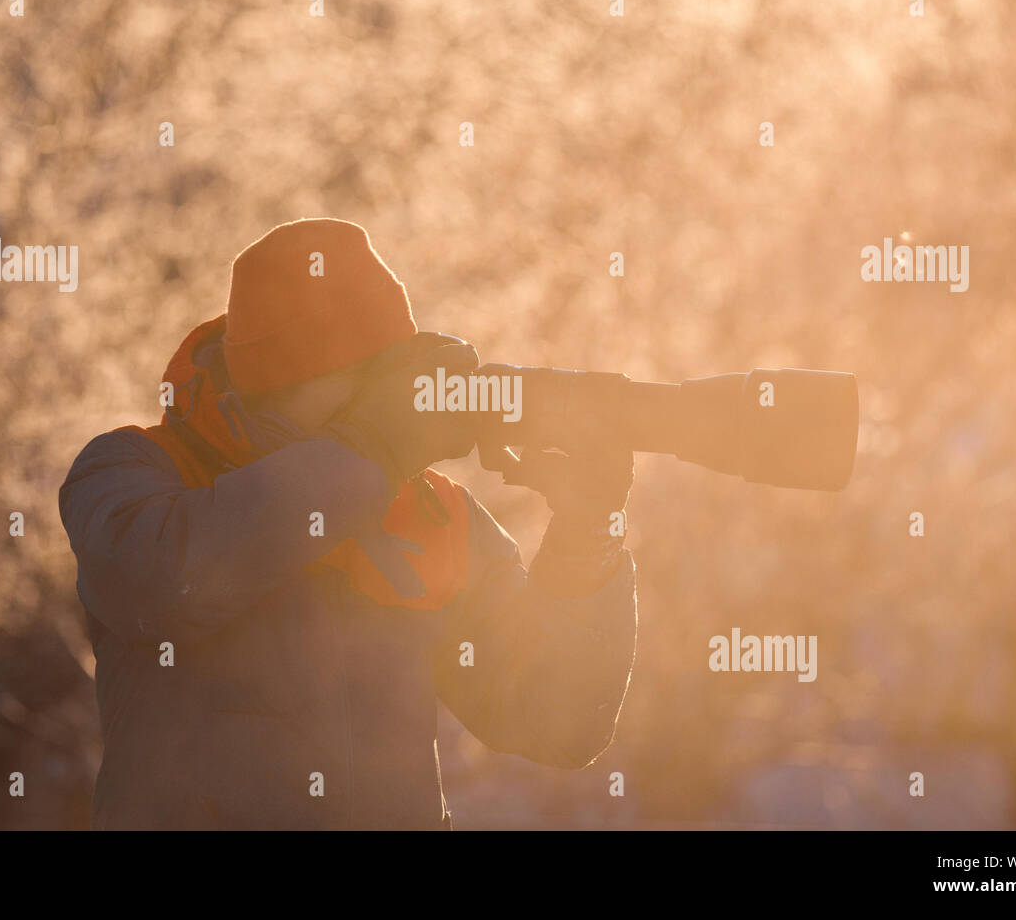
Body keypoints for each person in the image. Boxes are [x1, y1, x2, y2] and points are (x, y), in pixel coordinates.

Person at [58, 217, 638, 828]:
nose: (385, 396)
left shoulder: (431, 513)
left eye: (389, 374)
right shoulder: (139, 468)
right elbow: (165, 582)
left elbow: (557, 721)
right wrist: (370, 448)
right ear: (281, 382)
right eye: (363, 378)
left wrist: (588, 531)